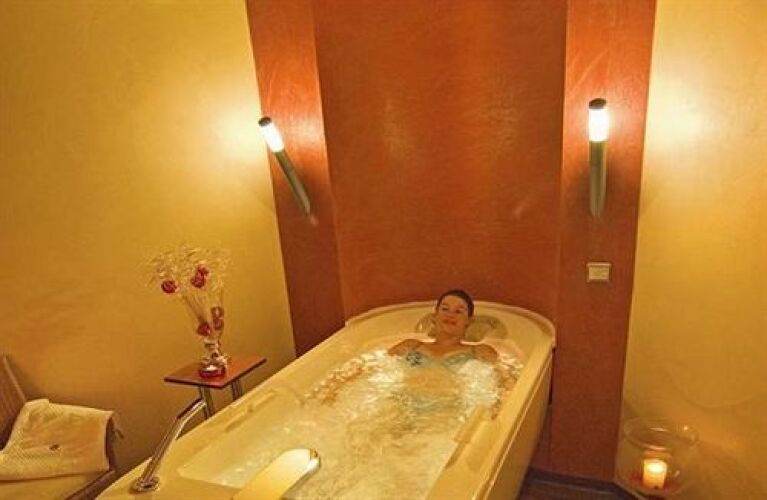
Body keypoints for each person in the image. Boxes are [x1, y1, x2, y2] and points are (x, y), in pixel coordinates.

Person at [388, 289, 499, 364]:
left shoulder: (480, 351)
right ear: (435, 316)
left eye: (458, 311)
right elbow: (382, 367)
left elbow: (502, 380)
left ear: (468, 321)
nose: (450, 315)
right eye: (445, 309)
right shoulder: (411, 345)